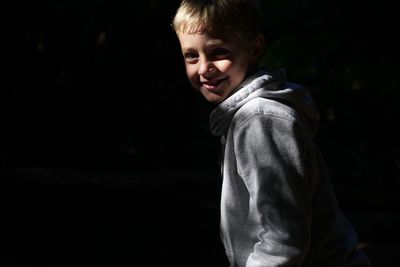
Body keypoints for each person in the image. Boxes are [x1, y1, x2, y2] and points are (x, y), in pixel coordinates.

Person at [172, 0, 372, 266]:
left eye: (219, 52)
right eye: (192, 56)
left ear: (255, 48)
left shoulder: (259, 119)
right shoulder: (247, 117)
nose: (203, 68)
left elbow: (284, 240)